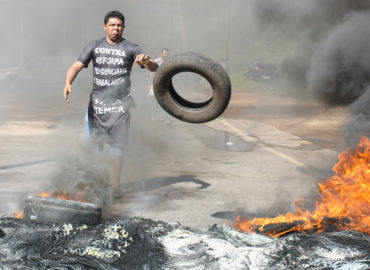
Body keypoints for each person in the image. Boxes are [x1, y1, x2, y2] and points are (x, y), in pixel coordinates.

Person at [63, 10, 158, 199]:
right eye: (112, 25)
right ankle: (93, 183)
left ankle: (116, 185)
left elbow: (155, 67)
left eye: (119, 25)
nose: (116, 28)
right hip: (96, 106)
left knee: (117, 148)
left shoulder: (131, 48)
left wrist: (147, 62)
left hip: (120, 106)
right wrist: (68, 82)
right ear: (105, 26)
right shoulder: (94, 46)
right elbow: (76, 66)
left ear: (123, 27)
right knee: (92, 147)